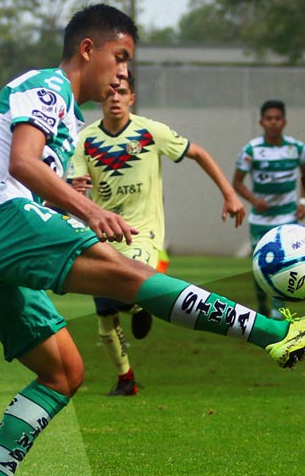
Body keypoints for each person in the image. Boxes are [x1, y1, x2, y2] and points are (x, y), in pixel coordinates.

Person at [0, 4, 305, 476]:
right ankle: (277, 334)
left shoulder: (69, 117)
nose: (123, 72)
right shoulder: (49, 86)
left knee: (63, 375)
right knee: (131, 275)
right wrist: (90, 209)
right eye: (119, 57)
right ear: (87, 49)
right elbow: (22, 163)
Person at [69, 76, 245, 396]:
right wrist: (73, 187)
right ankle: (126, 379)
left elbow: (199, 153)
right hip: (105, 234)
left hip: (143, 234)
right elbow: (74, 186)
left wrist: (230, 194)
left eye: (121, 92)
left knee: (117, 294)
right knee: (105, 315)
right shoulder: (85, 141)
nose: (115, 98)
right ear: (99, 100)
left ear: (131, 97)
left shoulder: (149, 132)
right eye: (108, 93)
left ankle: (138, 305)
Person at [231, 100, 305, 318]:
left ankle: (277, 310)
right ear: (262, 122)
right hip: (261, 220)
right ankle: (262, 304)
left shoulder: (297, 149)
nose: (273, 123)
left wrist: (303, 203)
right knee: (260, 268)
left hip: (287, 218)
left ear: (284, 122)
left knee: (284, 264)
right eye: (269, 119)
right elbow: (236, 182)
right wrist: (254, 200)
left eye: (277, 118)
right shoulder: (252, 150)